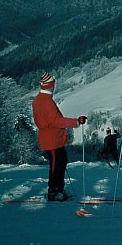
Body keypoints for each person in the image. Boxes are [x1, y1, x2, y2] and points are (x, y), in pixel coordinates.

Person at [31, 72, 87, 201]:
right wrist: (76, 122)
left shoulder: (39, 100)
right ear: (51, 85)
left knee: (61, 163)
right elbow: (57, 121)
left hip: (51, 138)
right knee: (56, 165)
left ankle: (58, 189)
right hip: (52, 140)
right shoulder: (46, 102)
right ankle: (53, 191)